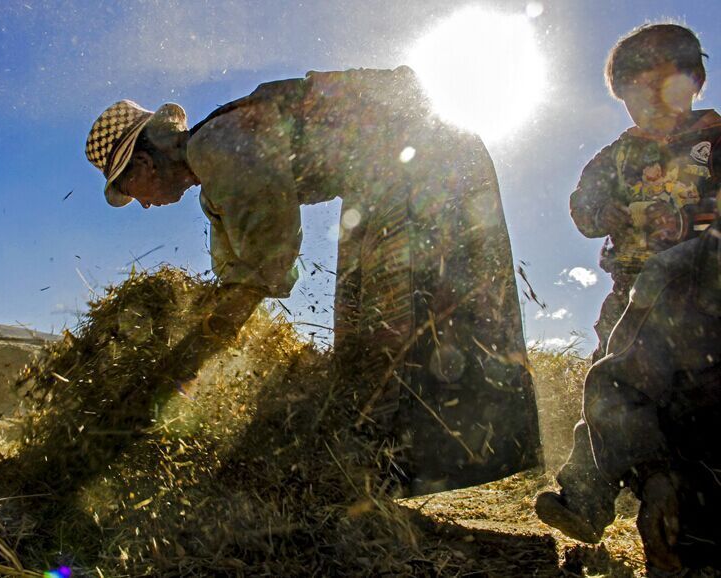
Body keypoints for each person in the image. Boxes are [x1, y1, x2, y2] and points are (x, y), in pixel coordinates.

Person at [85, 66, 540, 494]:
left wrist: (180, 367)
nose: (142, 205)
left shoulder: (218, 144)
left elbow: (267, 256)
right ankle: (380, 469)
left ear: (143, 164)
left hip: (423, 159)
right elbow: (235, 277)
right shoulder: (213, 188)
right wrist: (203, 329)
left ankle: (416, 459)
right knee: (359, 319)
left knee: (391, 318)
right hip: (385, 175)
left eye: (128, 191)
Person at [537, 23, 721, 543]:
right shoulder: (618, 155)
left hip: (703, 298)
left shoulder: (715, 138)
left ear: (694, 81)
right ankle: (587, 496)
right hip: (631, 292)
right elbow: (582, 205)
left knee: (685, 407)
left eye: (661, 86)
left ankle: (679, 516)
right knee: (611, 386)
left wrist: (694, 231)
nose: (648, 105)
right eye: (633, 96)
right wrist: (603, 209)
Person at [583, 214, 720, 574]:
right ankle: (582, 497)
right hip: (701, 488)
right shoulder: (677, 274)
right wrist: (653, 476)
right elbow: (619, 386)